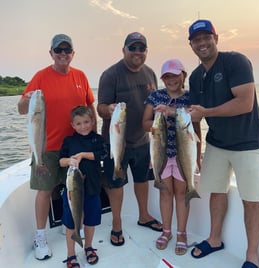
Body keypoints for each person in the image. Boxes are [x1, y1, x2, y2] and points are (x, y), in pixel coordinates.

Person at [188, 19, 259, 268]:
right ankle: (214, 239)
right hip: (216, 144)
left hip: (247, 143)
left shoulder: (236, 61)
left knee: (251, 199)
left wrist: (207, 112)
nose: (202, 43)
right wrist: (197, 152)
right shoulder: (196, 76)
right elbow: (194, 116)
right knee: (216, 192)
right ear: (191, 44)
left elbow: (245, 103)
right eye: (196, 39)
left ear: (216, 38)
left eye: (206, 37)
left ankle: (252, 255)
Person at [18, 34, 97, 260]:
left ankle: (69, 223)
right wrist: (26, 99)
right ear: (51, 53)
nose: (63, 53)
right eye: (58, 50)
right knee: (45, 191)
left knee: (72, 189)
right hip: (47, 147)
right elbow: (22, 109)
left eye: (67, 50)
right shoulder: (40, 77)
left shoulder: (80, 76)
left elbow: (90, 107)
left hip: (75, 145)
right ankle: (40, 236)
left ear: (73, 53)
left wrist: (95, 135)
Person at [97, 32, 162, 246]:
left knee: (143, 180)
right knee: (116, 184)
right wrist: (109, 108)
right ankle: (116, 224)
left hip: (143, 141)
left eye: (141, 48)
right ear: (123, 49)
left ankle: (144, 215)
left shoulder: (151, 74)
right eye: (132, 48)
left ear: (146, 51)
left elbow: (154, 108)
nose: (137, 52)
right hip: (116, 142)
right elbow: (100, 108)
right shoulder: (110, 74)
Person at [143, 59, 201, 255]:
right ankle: (166, 231)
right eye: (167, 76)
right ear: (162, 79)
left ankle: (182, 233)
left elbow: (197, 124)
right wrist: (157, 126)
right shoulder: (155, 96)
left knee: (182, 193)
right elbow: (145, 123)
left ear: (183, 75)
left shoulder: (190, 97)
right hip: (161, 153)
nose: (171, 80)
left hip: (183, 154)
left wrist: (197, 159)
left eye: (175, 75)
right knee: (165, 192)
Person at [59, 106, 108, 267]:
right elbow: (61, 161)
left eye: (86, 122)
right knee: (72, 222)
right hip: (72, 192)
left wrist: (82, 155)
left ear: (93, 121)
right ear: (72, 125)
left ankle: (88, 247)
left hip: (93, 188)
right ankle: (71, 254)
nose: (83, 126)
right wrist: (69, 161)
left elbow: (103, 154)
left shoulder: (98, 139)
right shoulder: (69, 141)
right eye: (78, 123)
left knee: (91, 221)